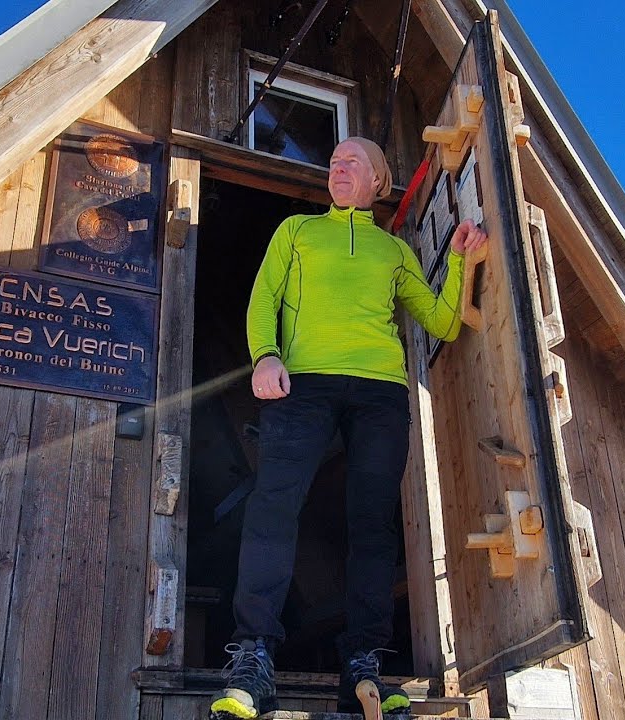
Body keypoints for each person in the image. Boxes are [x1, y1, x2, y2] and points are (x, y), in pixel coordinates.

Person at [208, 137, 487, 720]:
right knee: (273, 506)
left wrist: (460, 259)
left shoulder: (394, 251)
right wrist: (264, 355)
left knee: (372, 524)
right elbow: (265, 298)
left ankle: (364, 661)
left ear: (378, 179)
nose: (336, 167)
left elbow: (441, 321)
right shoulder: (297, 232)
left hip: (380, 391)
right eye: (332, 160)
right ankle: (254, 658)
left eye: (350, 161)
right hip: (303, 382)